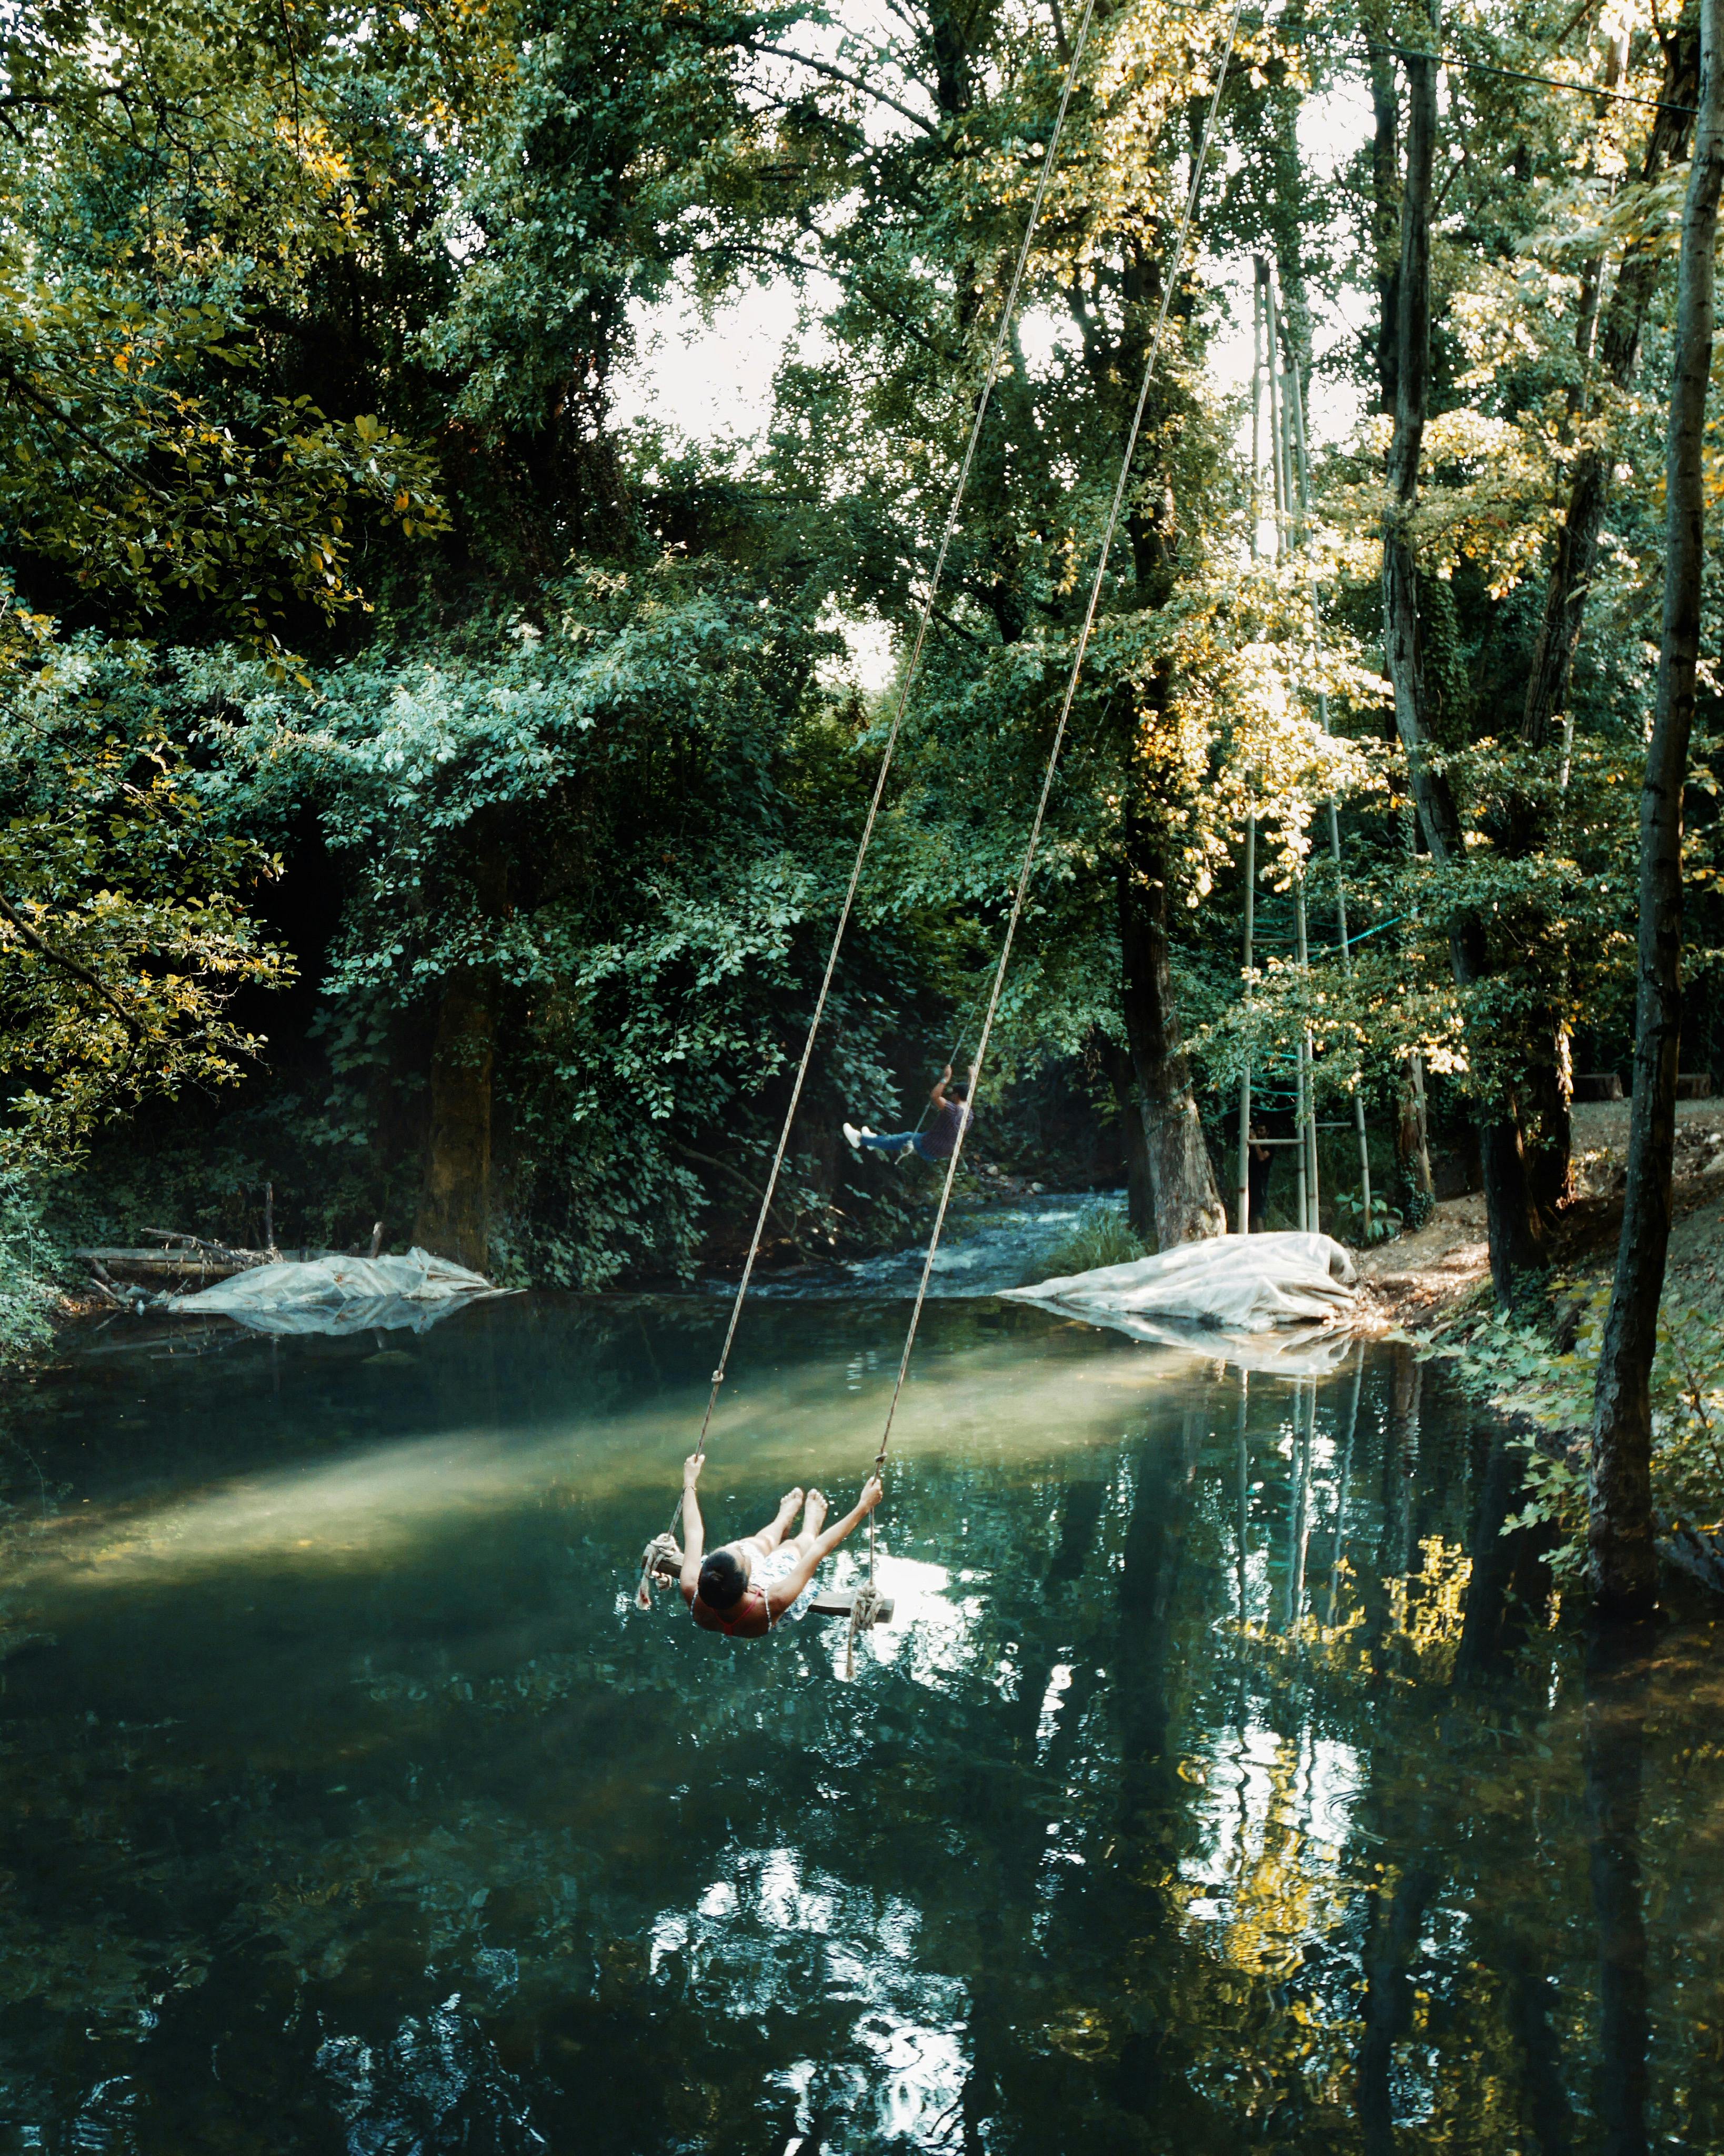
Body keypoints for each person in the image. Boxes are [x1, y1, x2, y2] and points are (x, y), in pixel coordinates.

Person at [678, 1453, 884, 1638]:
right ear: (748, 1584)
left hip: (730, 1597)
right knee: (791, 1550)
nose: (739, 1549)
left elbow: (694, 1533)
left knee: (755, 1544)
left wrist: (689, 1480)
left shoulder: (692, 1586)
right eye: (743, 1558)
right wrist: (863, 1506)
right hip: (768, 1613)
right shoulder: (773, 1602)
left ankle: (781, 1521)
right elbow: (819, 1550)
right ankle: (809, 1529)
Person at [843, 1063, 974, 1164]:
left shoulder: (953, 1111)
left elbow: (935, 1096)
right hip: (940, 1150)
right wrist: (972, 1078)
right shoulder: (969, 1114)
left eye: (952, 1094)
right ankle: (873, 1140)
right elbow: (968, 1095)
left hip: (930, 1147)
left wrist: (946, 1079)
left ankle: (860, 1140)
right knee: (908, 1137)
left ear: (956, 1095)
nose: (951, 1097)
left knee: (905, 1138)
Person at [1247, 1119, 1275, 1231]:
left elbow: (1262, 1157)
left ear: (1267, 1132)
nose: (1259, 1133)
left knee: (1259, 1211)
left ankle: (1261, 1235)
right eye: (1257, 1130)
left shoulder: (1270, 1145)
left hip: (1261, 1180)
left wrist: (1255, 1142)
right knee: (1251, 1211)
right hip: (1251, 1179)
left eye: (1262, 1130)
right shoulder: (1254, 1144)